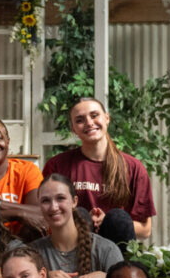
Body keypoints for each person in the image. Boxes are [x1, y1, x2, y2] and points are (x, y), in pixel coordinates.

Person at [43, 98, 155, 244]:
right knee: (80, 215)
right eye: (80, 120)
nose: (89, 123)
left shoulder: (133, 167)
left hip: (118, 252)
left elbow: (145, 229)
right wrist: (84, 222)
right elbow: (46, 218)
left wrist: (108, 222)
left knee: (116, 217)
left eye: (94, 115)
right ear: (73, 129)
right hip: (73, 250)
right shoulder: (57, 166)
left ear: (107, 118)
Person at [29, 174, 125, 278]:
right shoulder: (33, 253)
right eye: (46, 201)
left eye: (60, 198)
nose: (53, 207)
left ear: (74, 202)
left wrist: (104, 276)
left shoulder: (105, 248)